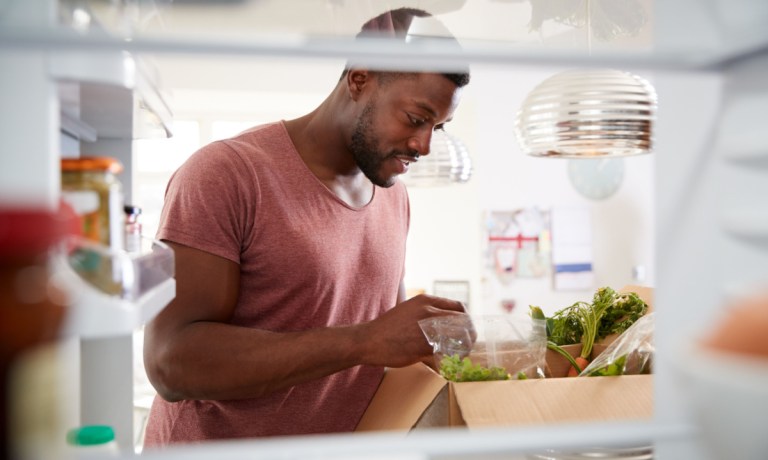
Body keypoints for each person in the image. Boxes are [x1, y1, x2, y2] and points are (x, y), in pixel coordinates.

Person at [142, 7, 471, 447]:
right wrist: (364, 341)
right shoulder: (227, 173)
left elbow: (384, 347)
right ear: (359, 79)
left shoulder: (393, 194)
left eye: (439, 127)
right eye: (416, 119)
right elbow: (171, 363)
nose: (424, 145)